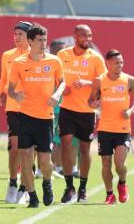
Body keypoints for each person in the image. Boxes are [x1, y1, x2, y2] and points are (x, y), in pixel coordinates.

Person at [8, 23, 65, 208]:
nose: (43, 43)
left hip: (46, 119)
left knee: (44, 161)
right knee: (25, 158)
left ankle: (47, 183)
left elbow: (62, 82)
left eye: (45, 40)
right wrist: (16, 95)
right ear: (30, 41)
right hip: (25, 116)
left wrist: (57, 94)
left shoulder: (54, 61)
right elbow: (10, 90)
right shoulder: (19, 63)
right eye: (39, 40)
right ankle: (32, 196)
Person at [57, 24, 106, 203]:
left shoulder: (96, 58)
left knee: (85, 149)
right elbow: (56, 78)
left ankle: (82, 189)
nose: (87, 39)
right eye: (84, 36)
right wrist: (61, 89)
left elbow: (104, 83)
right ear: (75, 36)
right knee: (66, 143)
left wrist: (87, 83)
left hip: (87, 111)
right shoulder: (63, 55)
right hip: (67, 109)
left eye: (90, 36)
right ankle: (69, 187)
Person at [88, 49, 134, 205]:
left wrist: (131, 110)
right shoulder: (99, 81)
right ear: (108, 63)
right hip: (104, 129)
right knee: (106, 163)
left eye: (121, 62)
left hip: (123, 129)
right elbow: (90, 101)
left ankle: (122, 183)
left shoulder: (129, 80)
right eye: (117, 63)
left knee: (119, 163)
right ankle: (109, 194)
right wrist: (94, 104)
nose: (120, 65)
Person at [0, 21, 32, 204]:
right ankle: (13, 183)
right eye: (15, 34)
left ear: (29, 37)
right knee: (15, 149)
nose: (16, 37)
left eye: (20, 34)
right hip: (13, 108)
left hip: (33, 109)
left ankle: (25, 187)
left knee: (28, 150)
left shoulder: (37, 56)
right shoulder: (7, 55)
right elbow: (3, 79)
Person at [48, 40, 80, 178]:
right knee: (54, 141)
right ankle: (52, 167)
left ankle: (64, 168)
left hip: (67, 108)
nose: (62, 53)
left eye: (63, 50)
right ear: (53, 50)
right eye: (59, 50)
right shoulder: (48, 64)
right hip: (52, 109)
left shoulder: (67, 65)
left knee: (68, 140)